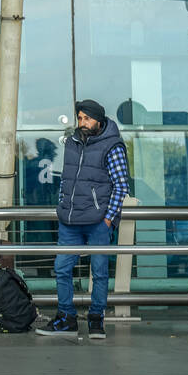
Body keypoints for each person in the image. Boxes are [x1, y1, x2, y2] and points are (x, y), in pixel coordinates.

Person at [38, 99, 131, 340]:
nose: (82, 122)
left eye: (87, 118)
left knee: (99, 272)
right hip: (69, 219)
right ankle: (67, 318)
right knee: (61, 269)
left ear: (99, 120)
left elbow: (121, 186)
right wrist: (63, 203)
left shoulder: (113, 146)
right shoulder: (72, 142)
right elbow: (66, 179)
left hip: (98, 221)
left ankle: (96, 319)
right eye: (79, 118)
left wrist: (108, 219)